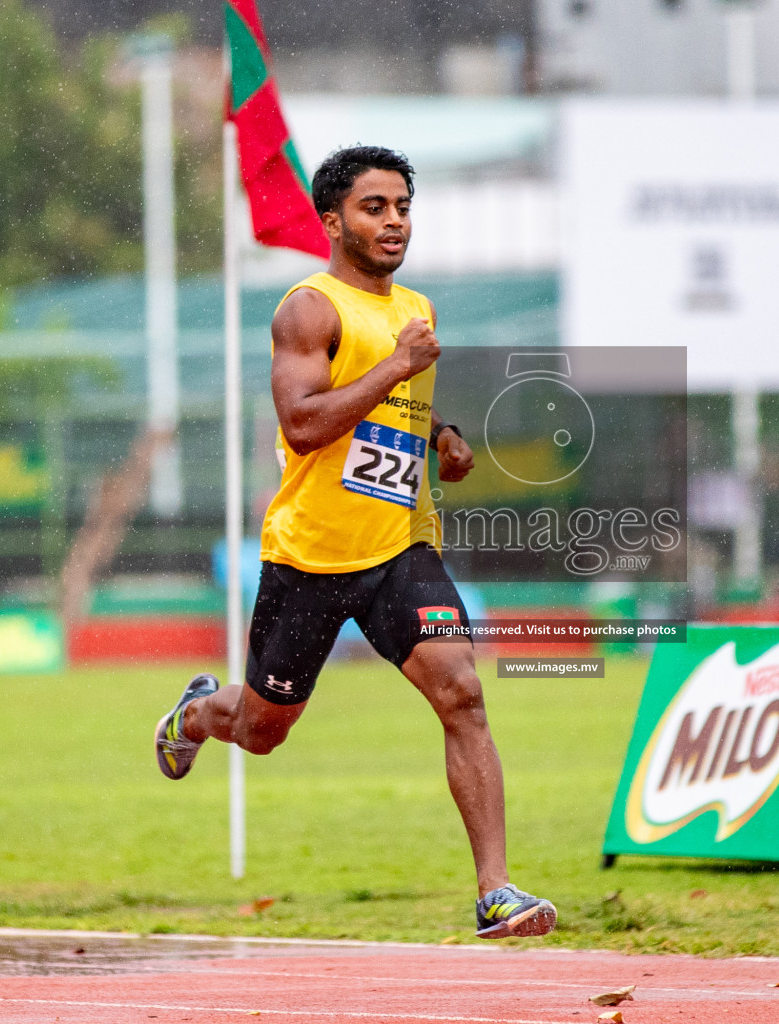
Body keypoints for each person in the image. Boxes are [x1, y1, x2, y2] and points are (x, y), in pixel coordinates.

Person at [152, 145, 555, 940]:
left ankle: (496, 892)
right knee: (264, 732)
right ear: (333, 221)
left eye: (403, 205)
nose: (395, 220)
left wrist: (442, 435)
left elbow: (390, 408)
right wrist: (400, 363)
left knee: (463, 695)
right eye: (376, 207)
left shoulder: (417, 309)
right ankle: (199, 714)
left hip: (401, 550)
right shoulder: (309, 309)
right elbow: (305, 425)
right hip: (311, 557)